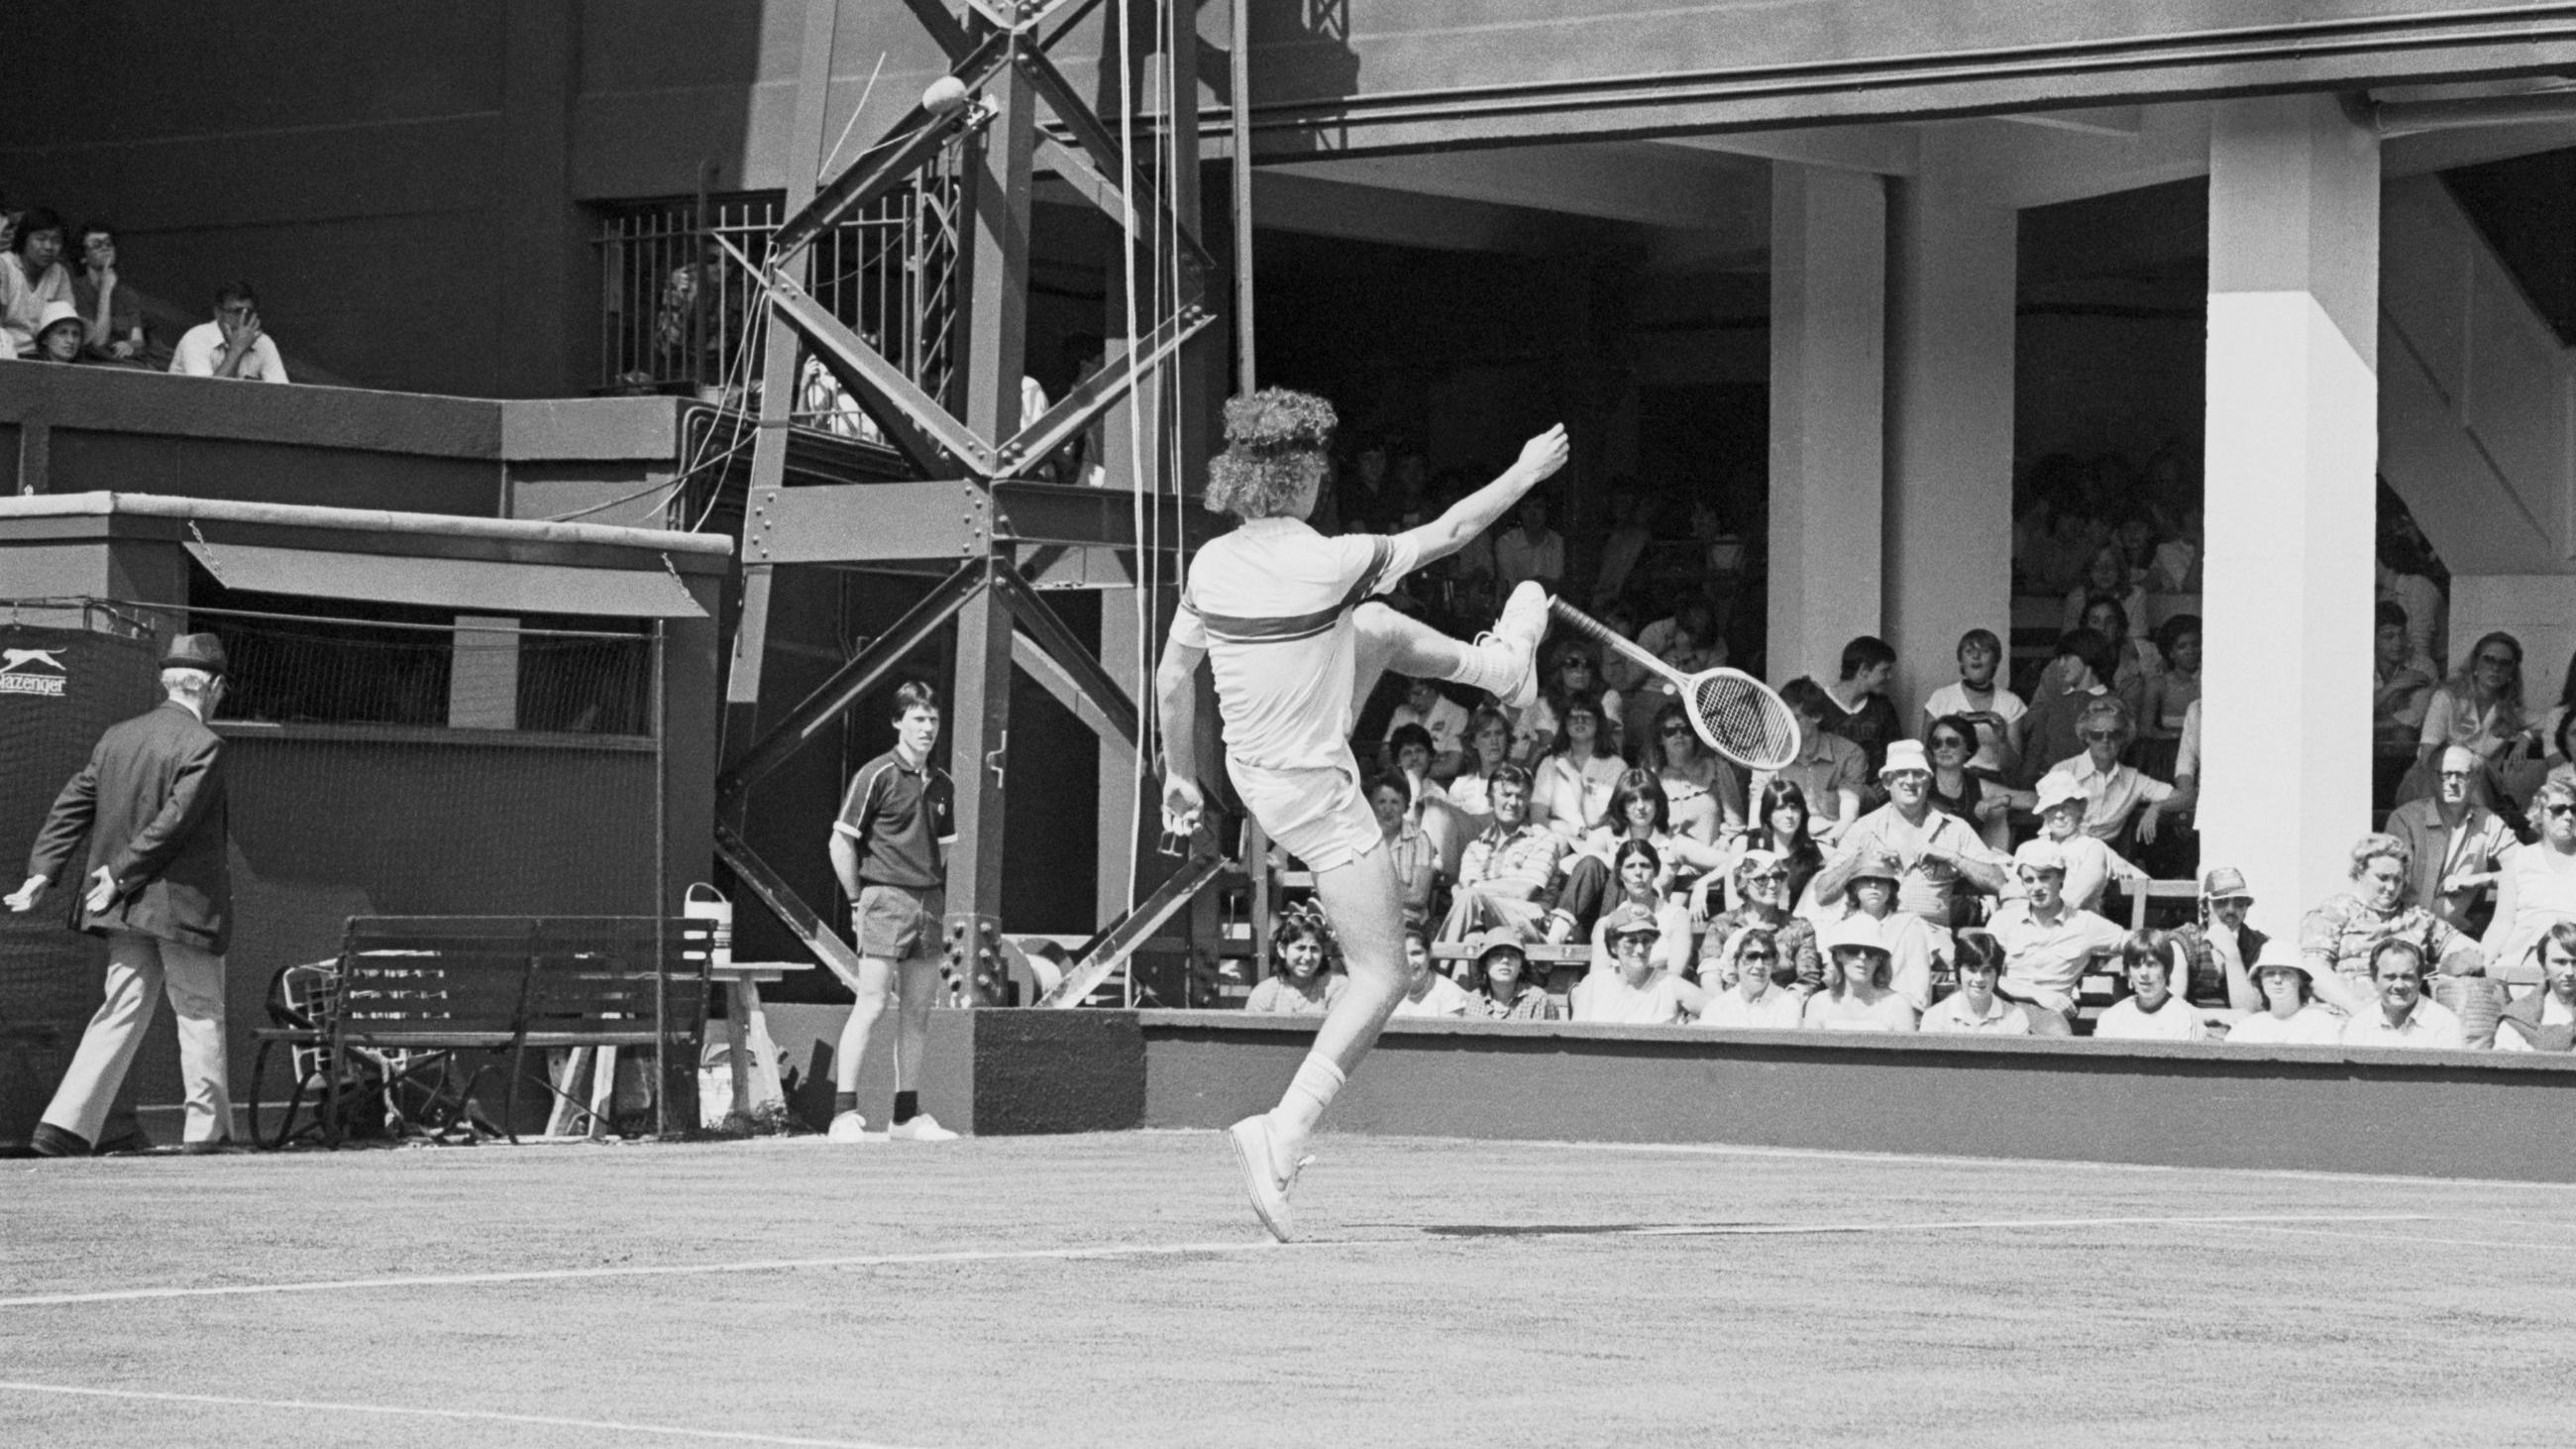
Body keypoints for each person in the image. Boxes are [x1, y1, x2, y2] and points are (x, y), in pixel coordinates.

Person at [1155, 387, 1567, 1241]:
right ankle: (1283, 1130)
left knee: (1374, 628)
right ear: (1305, 480)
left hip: (1250, 766)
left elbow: (1170, 682)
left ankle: (1502, 673)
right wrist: (1525, 472)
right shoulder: (1331, 558)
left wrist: (1179, 779)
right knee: (1386, 976)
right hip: (1315, 791)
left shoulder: (1209, 565)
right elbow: (1454, 532)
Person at [6, 633, 235, 1156]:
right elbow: (174, 823)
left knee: (120, 1008)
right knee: (199, 1011)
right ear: (214, 688)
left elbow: (72, 804)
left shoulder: (117, 737)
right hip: (177, 909)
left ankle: (65, 1127)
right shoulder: (205, 746)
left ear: (167, 683)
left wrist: (42, 871)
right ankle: (207, 1134)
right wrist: (121, 873)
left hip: (123, 909)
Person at [823, 680, 961, 1144]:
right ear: (898, 722)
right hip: (882, 899)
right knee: (873, 1002)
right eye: (918, 719)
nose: (927, 728)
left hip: (929, 903)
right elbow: (841, 841)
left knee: (918, 1010)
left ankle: (905, 1116)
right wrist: (859, 900)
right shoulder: (876, 774)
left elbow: (941, 851)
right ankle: (844, 1114)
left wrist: (925, 889)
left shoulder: (944, 784)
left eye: (933, 720)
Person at [1807, 740, 2004, 927]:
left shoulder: (1954, 828)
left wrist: (1952, 857)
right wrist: (1860, 860)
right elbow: (1823, 894)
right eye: (1901, 773)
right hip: (1874, 940)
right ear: (1886, 782)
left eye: (1918, 774)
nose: (1910, 781)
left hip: (1930, 939)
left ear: (1928, 782)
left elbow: (2000, 882)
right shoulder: (1864, 829)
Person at [2301, 833, 2485, 1016]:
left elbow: (2472, 950)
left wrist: (2453, 967)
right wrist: (2358, 1010)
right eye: (2382, 878)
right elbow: (2314, 969)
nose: (2391, 887)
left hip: (2406, 1018)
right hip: (2344, 1015)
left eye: (2397, 879)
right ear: (2359, 874)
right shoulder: (2334, 912)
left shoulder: (2418, 918)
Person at [1986, 838, 2126, 1032]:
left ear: (2061, 877)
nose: (2036, 887)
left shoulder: (2084, 923)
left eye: (2044, 878)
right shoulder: (2003, 920)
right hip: (2001, 1000)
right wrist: (2037, 994)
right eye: (2029, 880)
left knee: (2058, 1037)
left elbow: (2130, 940)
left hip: (2045, 1013)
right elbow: (1984, 972)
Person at [2386, 745, 2517, 933]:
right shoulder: (2405, 820)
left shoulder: (2489, 822)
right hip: (2400, 929)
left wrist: (2477, 879)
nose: (2452, 782)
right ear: (2432, 778)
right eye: (2445, 774)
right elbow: (2388, 884)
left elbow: (2525, 868)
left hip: (2449, 934)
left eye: (2461, 775)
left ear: (2476, 779)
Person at [1812, 848, 1952, 1011]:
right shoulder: (1841, 928)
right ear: (1854, 887)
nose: (1873, 885)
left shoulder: (1911, 926)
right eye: (1866, 879)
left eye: (1880, 880)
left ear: (1891, 888)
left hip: (1897, 1013)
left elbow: (1919, 991)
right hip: (1849, 1014)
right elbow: (1835, 983)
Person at [1442, 765, 1567, 944]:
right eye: (1506, 795)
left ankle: (1437, 965)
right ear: (1490, 800)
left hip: (1528, 925)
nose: (1514, 803)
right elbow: (1465, 895)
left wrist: (1476, 889)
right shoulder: (1474, 848)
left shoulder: (1543, 839)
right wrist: (1474, 893)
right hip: (1482, 922)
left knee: (1469, 899)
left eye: (1520, 796)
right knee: (1473, 937)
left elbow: (1524, 891)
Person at [2038, 697, 2176, 847]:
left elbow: (2186, 797)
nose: (2105, 740)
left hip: (2102, 857)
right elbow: (2052, 825)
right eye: (2097, 734)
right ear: (2086, 736)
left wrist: (2158, 807)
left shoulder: (2132, 779)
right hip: (2059, 853)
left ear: (2123, 738)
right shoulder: (2063, 771)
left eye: (2113, 734)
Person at [2013, 771, 2147, 916]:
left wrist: (2121, 870)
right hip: (2032, 925)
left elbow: (2076, 898)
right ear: (2044, 813)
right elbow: (2012, 892)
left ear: (2080, 808)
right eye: (2052, 808)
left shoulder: (2093, 848)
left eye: (2066, 806)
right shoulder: (2029, 850)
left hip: (2078, 926)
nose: (2059, 814)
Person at [2482, 777, 2576, 971]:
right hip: (2525, 961)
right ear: (2539, 815)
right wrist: (2483, 964)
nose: (2568, 816)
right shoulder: (2519, 860)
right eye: (2558, 809)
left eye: (2574, 810)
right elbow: (2501, 924)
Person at [1698, 848, 1824, 990]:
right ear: (1743, 885)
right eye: (1761, 879)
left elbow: (1808, 981)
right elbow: (1710, 976)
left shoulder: (1798, 928)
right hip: (1730, 1004)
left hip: (1781, 1005)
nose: (1772, 885)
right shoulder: (1721, 925)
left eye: (1778, 877)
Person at [2013, 628, 2118, 789]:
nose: (2061, 664)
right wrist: (2025, 787)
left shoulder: (2112, 705)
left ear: (2087, 655)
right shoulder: (2054, 701)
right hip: (2046, 786)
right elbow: (2036, 750)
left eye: (2067, 657)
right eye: (2060, 658)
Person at [1767, 678, 1868, 844]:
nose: (1786, 724)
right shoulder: (1771, 753)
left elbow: (1848, 817)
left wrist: (1823, 846)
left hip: (1830, 842)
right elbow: (1758, 809)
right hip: (1782, 842)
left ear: (1816, 716)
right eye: (1782, 716)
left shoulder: (1851, 754)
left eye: (1795, 718)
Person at [1570, 903, 1705, 1024]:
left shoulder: (1669, 985)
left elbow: (1719, 1010)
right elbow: (1576, 1041)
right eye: (1631, 941)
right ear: (1613, 945)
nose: (1640, 949)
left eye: (1646, 941)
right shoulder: (1593, 985)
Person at [1919, 628, 2026, 781]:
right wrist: (1948, 731)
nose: (1976, 656)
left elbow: (2013, 769)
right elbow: (1926, 757)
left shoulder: (2012, 703)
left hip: (1993, 782)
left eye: (1984, 651)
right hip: (1948, 778)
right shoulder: (1940, 698)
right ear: (1961, 660)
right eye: (1969, 651)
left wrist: (2002, 739)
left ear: (1995, 660)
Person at [1578, 839, 1695, 977]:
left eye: (1645, 866)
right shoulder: (1606, 924)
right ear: (1620, 874)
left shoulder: (1677, 917)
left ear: (1656, 871)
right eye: (1630, 866)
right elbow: (1598, 978)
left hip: (1662, 992)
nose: (1638, 872)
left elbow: (1675, 974)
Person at [1529, 694, 1625, 840]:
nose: (1580, 721)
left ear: (1598, 722)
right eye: (1573, 717)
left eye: (1587, 717)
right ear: (1564, 723)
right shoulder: (1550, 763)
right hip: (1556, 840)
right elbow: (1537, 817)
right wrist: (1576, 831)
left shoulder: (1616, 765)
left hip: (1601, 843)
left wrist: (1573, 774)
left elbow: (1598, 820)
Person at [2169, 866, 2267, 1011]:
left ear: (2246, 906)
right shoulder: (2186, 941)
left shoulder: (2258, 945)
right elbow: (2173, 1006)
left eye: (2239, 902)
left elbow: (2250, 1010)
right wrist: (2217, 1016)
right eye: (2221, 902)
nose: (2231, 910)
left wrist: (2232, 954)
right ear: (2205, 906)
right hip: (2196, 1028)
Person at [2338, 940, 2466, 1050]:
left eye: (2407, 977)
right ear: (2374, 979)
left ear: (2420, 978)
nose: (2399, 985)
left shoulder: (2445, 1024)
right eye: (2390, 977)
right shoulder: (2359, 1026)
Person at [1800, 915, 1918, 1033]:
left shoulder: (1898, 1005)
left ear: (1879, 959)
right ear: (1839, 955)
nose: (1862, 957)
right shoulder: (1818, 1004)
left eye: (1871, 952)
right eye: (1853, 950)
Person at [2091, 930, 2210, 1042]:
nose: (2144, 973)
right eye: (2136, 965)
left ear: (2167, 970)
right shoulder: (2110, 1019)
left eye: (2152, 965)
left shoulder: (2186, 1018)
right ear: (2128, 972)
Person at [1517, 642, 1626, 765]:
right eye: (1572, 663)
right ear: (1559, 669)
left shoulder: (1609, 698)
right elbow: (1543, 751)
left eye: (1587, 665)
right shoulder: (1542, 704)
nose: (1580, 670)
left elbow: (1591, 740)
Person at [1651, 701, 1744, 842]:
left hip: (1714, 859)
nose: (1679, 735)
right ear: (1660, 739)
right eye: (1670, 731)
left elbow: (1736, 824)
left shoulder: (1716, 768)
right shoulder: (1652, 777)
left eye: (1686, 730)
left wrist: (1720, 850)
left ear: (1695, 735)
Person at [2223, 941, 2347, 1046]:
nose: (2277, 980)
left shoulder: (2321, 1023)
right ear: (2260, 981)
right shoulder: (2246, 1028)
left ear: (2300, 979)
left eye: (2285, 973)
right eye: (2270, 973)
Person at [1917, 932, 2040, 1035]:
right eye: (1972, 970)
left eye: (1986, 971)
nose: (1979, 978)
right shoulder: (1935, 1017)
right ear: (1958, 971)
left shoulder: (2015, 1018)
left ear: (1997, 973)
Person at [1366, 771, 1445, 932]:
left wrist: (1368, 889)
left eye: (1395, 802)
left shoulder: (1420, 840)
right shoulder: (1360, 840)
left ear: (1405, 806)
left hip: (1407, 923)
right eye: (1381, 802)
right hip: (1364, 918)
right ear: (1371, 806)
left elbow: (1418, 896)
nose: (1388, 809)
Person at [170, 281, 289, 383]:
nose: (243, 318)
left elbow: (284, 395)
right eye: (237, 312)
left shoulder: (264, 343)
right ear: (218, 313)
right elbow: (206, 396)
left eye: (248, 312)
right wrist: (237, 349)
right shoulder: (196, 338)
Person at [1692, 925, 1806, 1029]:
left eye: (1765, 957)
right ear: (1735, 962)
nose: (1759, 965)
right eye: (1751, 957)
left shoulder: (1787, 1006)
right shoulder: (1717, 1008)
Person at [1818, 636, 1903, 776]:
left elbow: (1898, 755)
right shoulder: (1818, 704)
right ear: (1863, 670)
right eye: (1884, 671)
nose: (1890, 677)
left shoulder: (1883, 706)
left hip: (1875, 794)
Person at [1924, 714, 2011, 850]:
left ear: (1968, 749)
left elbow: (2031, 799)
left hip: (1968, 862)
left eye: (1952, 742)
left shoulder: (1978, 785)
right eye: (1936, 743)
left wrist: (2002, 800)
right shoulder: (1919, 781)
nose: (1943, 748)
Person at [70, 221, 149, 365]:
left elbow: (138, 340)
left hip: (126, 365)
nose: (105, 248)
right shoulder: (75, 290)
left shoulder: (128, 295)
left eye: (108, 243)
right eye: (96, 244)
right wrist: (106, 291)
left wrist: (131, 345)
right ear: (83, 256)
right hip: (91, 366)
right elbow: (98, 342)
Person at [0, 206, 73, 357]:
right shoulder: (4, 267)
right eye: (40, 239)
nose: (48, 247)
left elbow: (65, 325)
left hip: (44, 357)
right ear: (24, 238)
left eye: (56, 240)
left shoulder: (59, 273)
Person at [2494, 921, 2576, 1052]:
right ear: (2544, 965)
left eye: (2575, 963)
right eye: (2560, 962)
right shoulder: (2519, 1016)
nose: (2570, 972)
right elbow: (2501, 1067)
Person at [1243, 915, 1344, 1015]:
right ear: (1282, 950)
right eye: (1300, 948)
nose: (1307, 957)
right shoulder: (1264, 994)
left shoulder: (1336, 987)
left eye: (1314, 949)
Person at [2373, 602, 2437, 749]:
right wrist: (2393, 687)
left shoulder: (2422, 666)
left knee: (2403, 734)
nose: (2398, 642)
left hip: (2405, 743)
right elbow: (2350, 714)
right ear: (2373, 639)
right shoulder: (2359, 664)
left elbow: (2417, 717)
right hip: (2360, 745)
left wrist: (2367, 726)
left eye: (2402, 634)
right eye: (2388, 637)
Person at [1383, 679, 1470, 779]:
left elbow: (1452, 766)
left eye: (1418, 693)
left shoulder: (1456, 713)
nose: (1412, 700)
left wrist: (1409, 773)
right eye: (1408, 695)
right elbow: (1384, 757)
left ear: (1433, 689)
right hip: (1401, 783)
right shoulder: (1401, 712)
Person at [1444, 707, 1518, 821]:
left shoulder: (1520, 779)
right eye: (1486, 735)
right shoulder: (1460, 786)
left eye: (1499, 733)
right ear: (1473, 742)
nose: (1494, 741)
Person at [2138, 614, 2201, 742]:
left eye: (2195, 644)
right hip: (2167, 753)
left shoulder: (2210, 682)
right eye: (2182, 646)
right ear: (2170, 653)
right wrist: (2178, 736)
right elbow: (2145, 730)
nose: (2190, 651)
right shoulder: (2158, 684)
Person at [1469, 931, 1557, 1020]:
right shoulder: (1475, 999)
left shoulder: (1539, 1000)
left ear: (1521, 965)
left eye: (1512, 955)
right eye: (1496, 955)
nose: (1505, 960)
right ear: (1484, 965)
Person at [1388, 927, 1476, 1017]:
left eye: (1416, 953)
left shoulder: (1448, 992)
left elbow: (1450, 1030)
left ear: (1429, 954)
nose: (1409, 962)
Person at [1492, 492, 1564, 594]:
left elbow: (1557, 584)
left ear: (1547, 510)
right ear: (1519, 512)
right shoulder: (1506, 543)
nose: (1532, 514)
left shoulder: (1558, 542)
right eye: (1526, 508)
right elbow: (1510, 587)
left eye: (1538, 506)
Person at [29, 300, 86, 365]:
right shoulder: (28, 372)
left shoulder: (89, 374)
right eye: (62, 333)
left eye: (75, 334)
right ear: (44, 338)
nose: (71, 340)